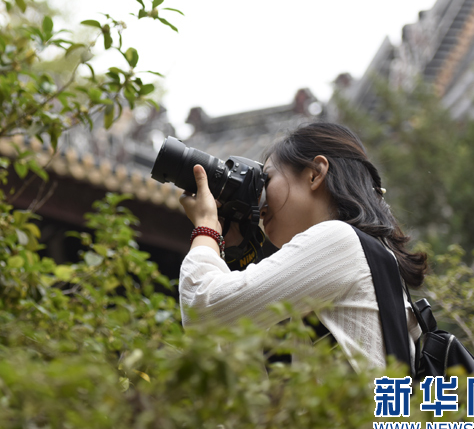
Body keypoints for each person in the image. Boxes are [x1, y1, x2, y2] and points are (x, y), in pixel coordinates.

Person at [178, 121, 426, 371]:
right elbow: (233, 360)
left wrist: (206, 227)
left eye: (268, 178)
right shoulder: (361, 250)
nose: (259, 199)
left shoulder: (338, 239)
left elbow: (201, 312)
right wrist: (229, 249)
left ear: (315, 174)